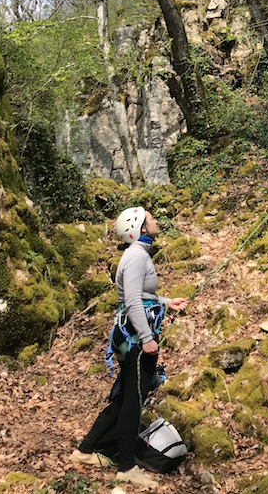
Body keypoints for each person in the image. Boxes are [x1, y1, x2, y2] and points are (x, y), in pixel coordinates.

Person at [71, 207, 189, 490]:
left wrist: (165, 301)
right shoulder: (137, 256)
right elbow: (134, 302)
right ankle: (126, 467)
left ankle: (85, 450)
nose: (156, 220)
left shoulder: (136, 254)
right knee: (133, 402)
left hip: (129, 336)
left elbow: (139, 294)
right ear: (141, 229)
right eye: (150, 219)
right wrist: (148, 338)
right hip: (136, 339)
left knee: (125, 398)